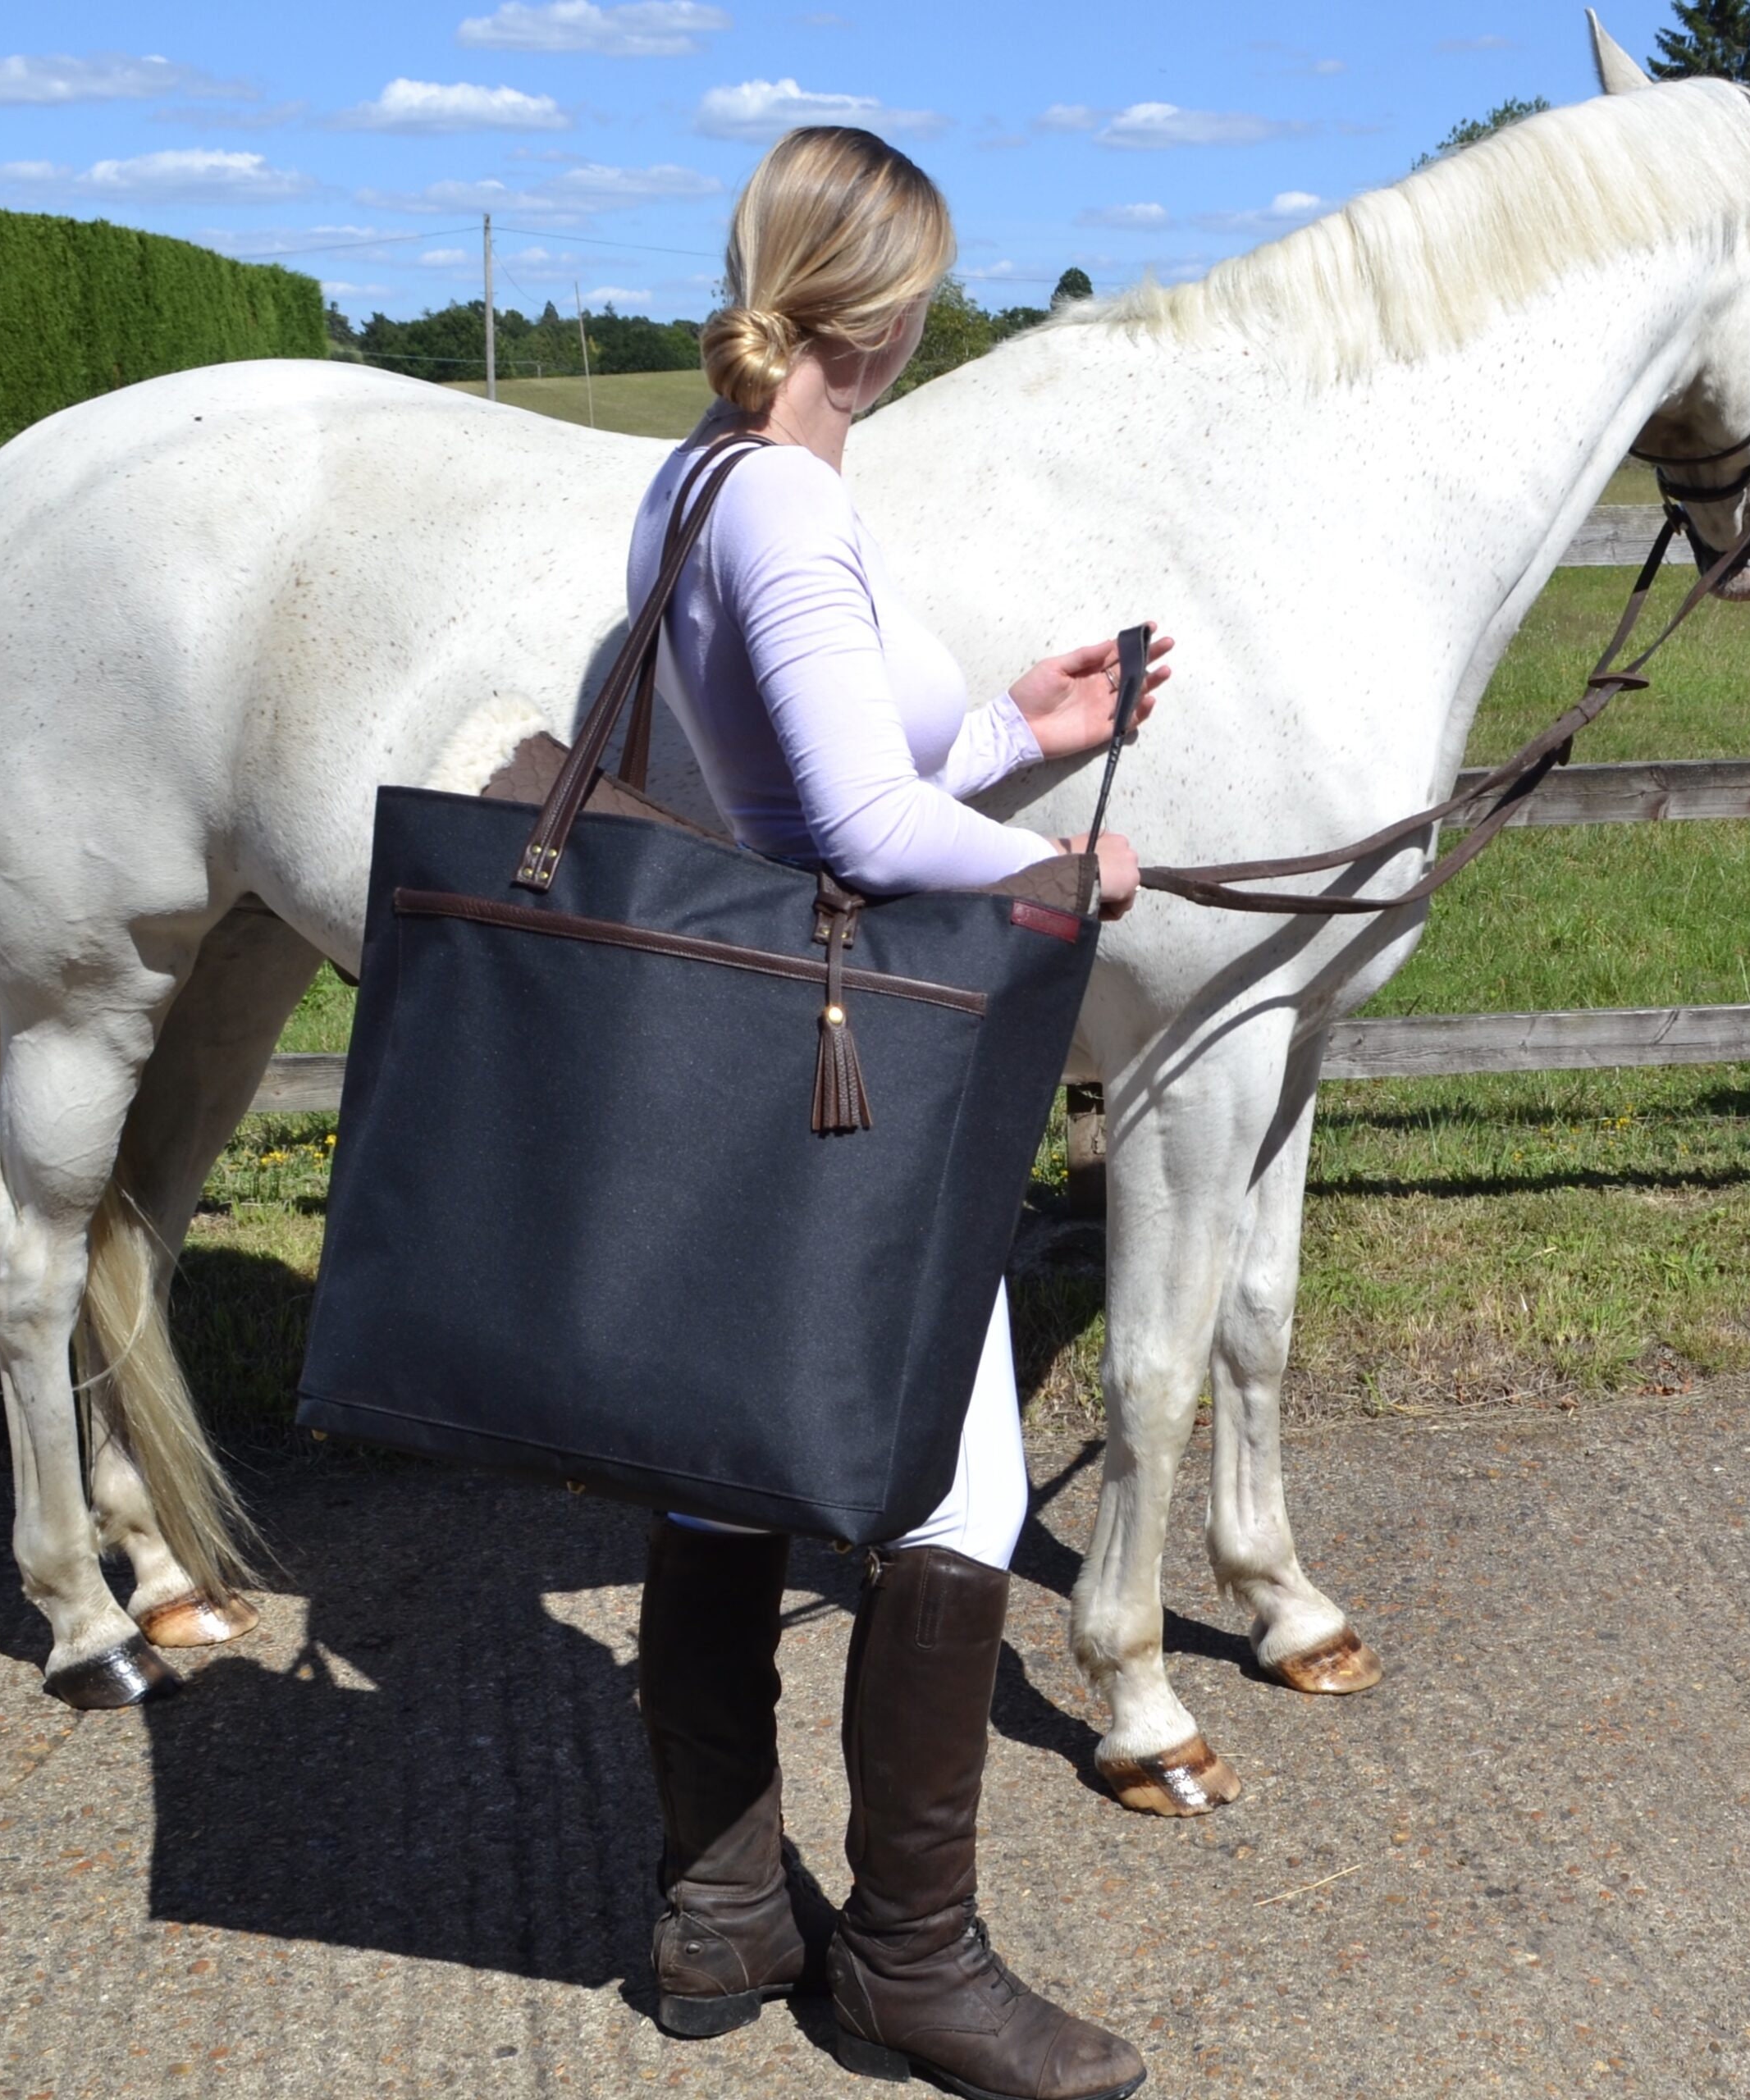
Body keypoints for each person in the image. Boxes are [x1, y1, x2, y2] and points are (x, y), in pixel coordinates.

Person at [624, 126, 1170, 2100]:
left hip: (744, 1038)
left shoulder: (690, 482)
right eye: (924, 283)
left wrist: (1015, 732)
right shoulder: (787, 503)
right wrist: (1055, 880)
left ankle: (716, 1916)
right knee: (954, 1490)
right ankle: (911, 1966)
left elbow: (807, 761)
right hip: (845, 1053)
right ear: (876, 301)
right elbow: (852, 823)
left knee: (716, 1464)